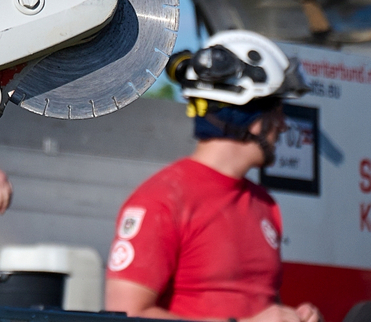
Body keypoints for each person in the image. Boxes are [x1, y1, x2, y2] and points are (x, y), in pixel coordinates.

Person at [106, 30, 322, 322]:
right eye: (277, 111)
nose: (283, 125)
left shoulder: (265, 204)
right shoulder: (161, 201)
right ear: (252, 118)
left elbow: (257, 305)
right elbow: (127, 315)